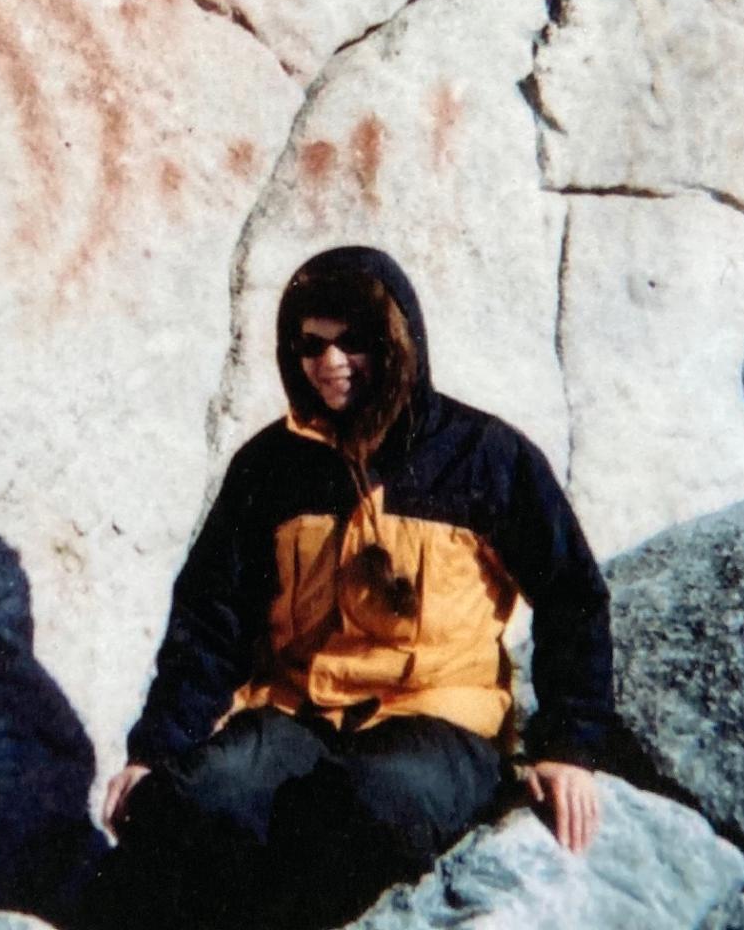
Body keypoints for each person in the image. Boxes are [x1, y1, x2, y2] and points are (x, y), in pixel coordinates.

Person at [79, 246, 616, 930]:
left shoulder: (484, 455)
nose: (330, 363)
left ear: (396, 342)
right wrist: (155, 750)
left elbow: (573, 596)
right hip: (296, 718)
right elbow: (211, 618)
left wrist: (568, 750)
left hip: (437, 725)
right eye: (311, 345)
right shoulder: (270, 466)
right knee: (180, 802)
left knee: (365, 806)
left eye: (352, 342)